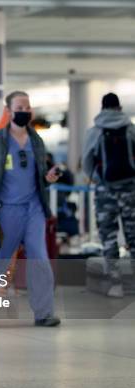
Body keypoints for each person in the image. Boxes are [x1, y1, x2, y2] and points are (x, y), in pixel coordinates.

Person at [0, 90, 62, 327]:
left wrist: (49, 177)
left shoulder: (36, 140)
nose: (24, 112)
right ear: (9, 111)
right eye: (19, 108)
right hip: (4, 210)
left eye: (27, 108)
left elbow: (40, 174)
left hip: (33, 209)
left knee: (40, 260)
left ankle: (44, 312)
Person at [82, 92, 135, 298]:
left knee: (109, 236)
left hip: (105, 190)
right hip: (130, 189)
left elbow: (87, 162)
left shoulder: (94, 131)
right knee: (133, 234)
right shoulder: (130, 128)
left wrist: (96, 178)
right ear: (119, 107)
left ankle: (116, 283)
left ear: (102, 108)